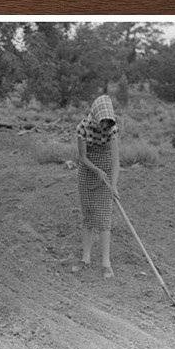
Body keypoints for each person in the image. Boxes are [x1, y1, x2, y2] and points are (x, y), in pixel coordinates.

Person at [73, 94, 120, 279]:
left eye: (108, 122)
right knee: (88, 215)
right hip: (87, 170)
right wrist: (96, 170)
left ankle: (106, 263)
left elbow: (116, 161)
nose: (105, 126)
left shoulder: (112, 130)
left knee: (104, 217)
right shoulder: (82, 128)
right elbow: (82, 157)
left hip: (106, 171)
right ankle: (85, 259)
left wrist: (114, 185)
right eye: (103, 122)